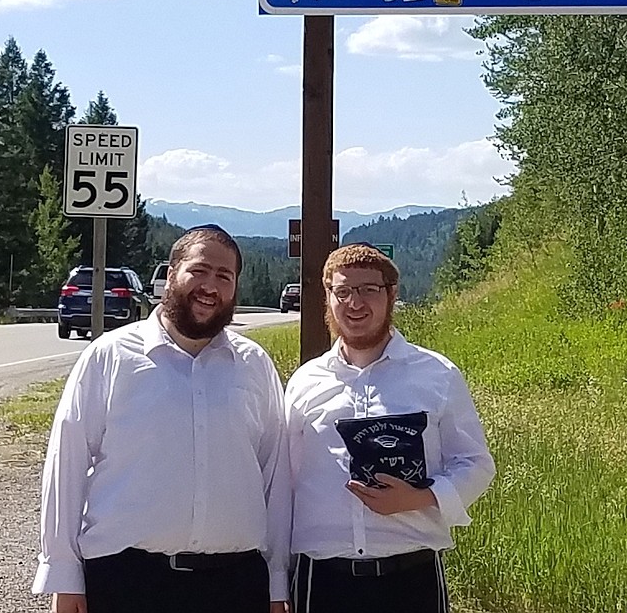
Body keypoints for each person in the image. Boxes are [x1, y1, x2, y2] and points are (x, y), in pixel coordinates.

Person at [33, 225, 291, 613]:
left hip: (236, 585)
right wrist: (63, 575)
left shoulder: (254, 365)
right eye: (199, 271)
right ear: (171, 275)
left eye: (225, 276)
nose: (210, 286)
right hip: (128, 582)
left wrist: (276, 583)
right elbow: (66, 466)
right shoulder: (111, 356)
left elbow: (275, 478)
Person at [284, 244, 495, 613]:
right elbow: (282, 481)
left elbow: (476, 464)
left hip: (411, 577)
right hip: (322, 581)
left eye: (368, 289)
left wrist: (423, 497)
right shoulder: (305, 382)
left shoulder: (436, 375)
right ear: (328, 296)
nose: (355, 303)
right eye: (343, 291)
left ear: (391, 294)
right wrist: (276, 579)